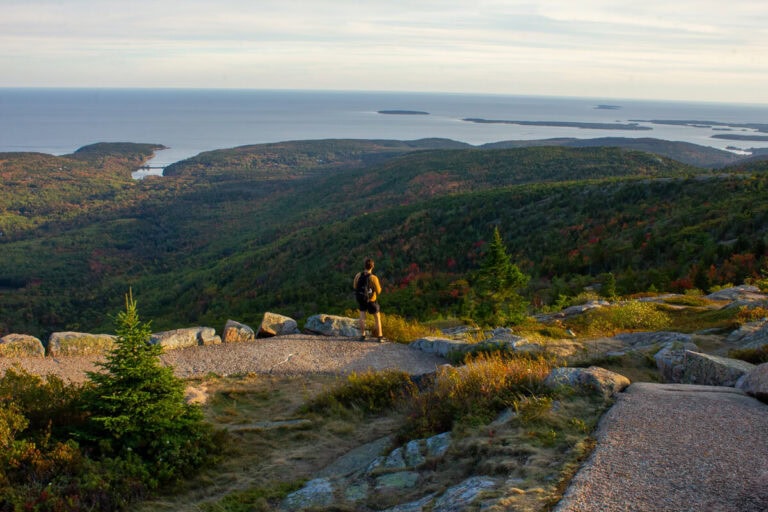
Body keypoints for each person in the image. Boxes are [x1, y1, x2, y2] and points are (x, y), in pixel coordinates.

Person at [353, 258, 384, 342]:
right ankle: (380, 337)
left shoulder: (358, 275)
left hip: (362, 299)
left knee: (362, 317)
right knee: (377, 318)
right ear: (372, 267)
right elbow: (378, 291)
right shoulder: (373, 278)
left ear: (364, 266)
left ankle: (362, 335)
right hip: (371, 300)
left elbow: (355, 286)